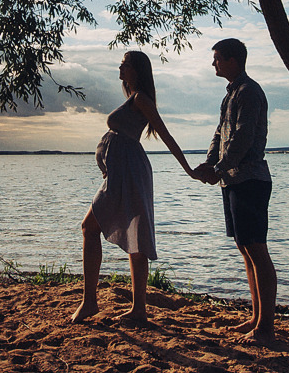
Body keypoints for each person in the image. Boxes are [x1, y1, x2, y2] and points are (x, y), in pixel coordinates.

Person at [71, 50, 196, 325]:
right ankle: (96, 302)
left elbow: (165, 133)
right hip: (119, 174)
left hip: (131, 172)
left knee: (113, 232)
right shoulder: (132, 98)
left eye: (125, 64)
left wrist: (188, 169)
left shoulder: (141, 99)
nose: (120, 67)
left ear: (136, 70)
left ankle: (124, 307)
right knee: (92, 229)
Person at [193, 38, 277, 342]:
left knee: (256, 249)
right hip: (232, 180)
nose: (213, 63)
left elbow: (243, 137)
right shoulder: (231, 94)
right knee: (245, 249)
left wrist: (218, 168)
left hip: (251, 180)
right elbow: (220, 133)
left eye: (217, 58)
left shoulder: (250, 91)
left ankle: (266, 327)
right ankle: (256, 318)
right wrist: (209, 163)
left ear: (233, 60)